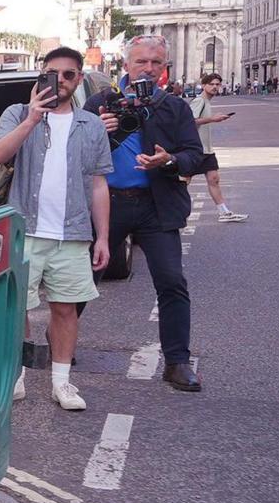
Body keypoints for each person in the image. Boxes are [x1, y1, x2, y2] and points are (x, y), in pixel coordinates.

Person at [0, 47, 109, 411]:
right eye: (52, 73)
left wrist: (102, 236)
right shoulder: (17, 114)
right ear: (41, 74)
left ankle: (62, 383)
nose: (61, 81)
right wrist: (30, 119)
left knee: (66, 309)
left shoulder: (92, 125)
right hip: (26, 228)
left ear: (79, 78)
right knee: (16, 308)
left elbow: (99, 184)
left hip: (71, 233)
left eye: (69, 75)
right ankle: (16, 377)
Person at [93, 35, 209, 392]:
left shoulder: (174, 108)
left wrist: (170, 160)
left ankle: (177, 362)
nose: (148, 68)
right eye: (141, 62)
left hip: (156, 205)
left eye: (156, 63)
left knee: (172, 281)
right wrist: (99, 132)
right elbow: (75, 153)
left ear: (165, 67)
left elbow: (194, 154)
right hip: (107, 204)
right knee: (81, 280)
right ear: (126, 65)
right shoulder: (102, 103)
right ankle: (61, 344)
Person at [190, 73, 244, 223]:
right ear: (204, 85)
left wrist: (214, 118)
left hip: (207, 150)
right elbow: (190, 122)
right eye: (212, 84)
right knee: (184, 181)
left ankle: (224, 212)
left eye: (217, 84)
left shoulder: (206, 101)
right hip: (195, 149)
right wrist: (213, 119)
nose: (215, 87)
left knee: (214, 179)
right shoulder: (199, 101)